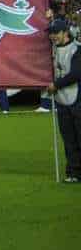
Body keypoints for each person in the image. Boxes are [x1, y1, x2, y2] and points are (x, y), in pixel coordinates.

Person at [47, 17, 81, 182]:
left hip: (77, 99)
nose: (52, 36)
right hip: (61, 100)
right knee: (68, 139)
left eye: (56, 32)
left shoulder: (77, 49)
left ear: (65, 32)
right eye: (51, 33)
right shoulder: (52, 50)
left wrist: (56, 84)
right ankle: (73, 172)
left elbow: (76, 74)